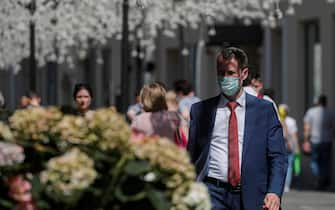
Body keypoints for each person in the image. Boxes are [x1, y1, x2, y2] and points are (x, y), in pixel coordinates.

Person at [187, 47, 287, 210]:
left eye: (231, 73)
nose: (225, 78)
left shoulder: (264, 110)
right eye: (221, 73)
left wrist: (274, 192)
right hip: (213, 193)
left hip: (254, 194)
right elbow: (192, 154)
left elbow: (278, 156)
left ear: (244, 74)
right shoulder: (201, 111)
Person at [131, 82, 187, 147]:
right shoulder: (175, 116)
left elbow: (133, 143)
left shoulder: (139, 119)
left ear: (143, 100)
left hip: (148, 154)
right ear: (163, 98)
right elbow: (186, 138)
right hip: (171, 154)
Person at [303, 95, 335, 190]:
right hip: (327, 141)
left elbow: (307, 127)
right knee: (325, 162)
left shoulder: (311, 112)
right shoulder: (331, 113)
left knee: (314, 161)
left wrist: (306, 140)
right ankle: (323, 180)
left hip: (315, 140)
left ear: (318, 102)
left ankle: (319, 178)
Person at [278, 104, 300, 192]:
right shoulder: (292, 121)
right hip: (289, 145)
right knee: (289, 166)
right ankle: (286, 186)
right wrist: (297, 147)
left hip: (279, 145)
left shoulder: (276, 119)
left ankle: (280, 184)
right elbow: (294, 136)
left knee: (279, 165)